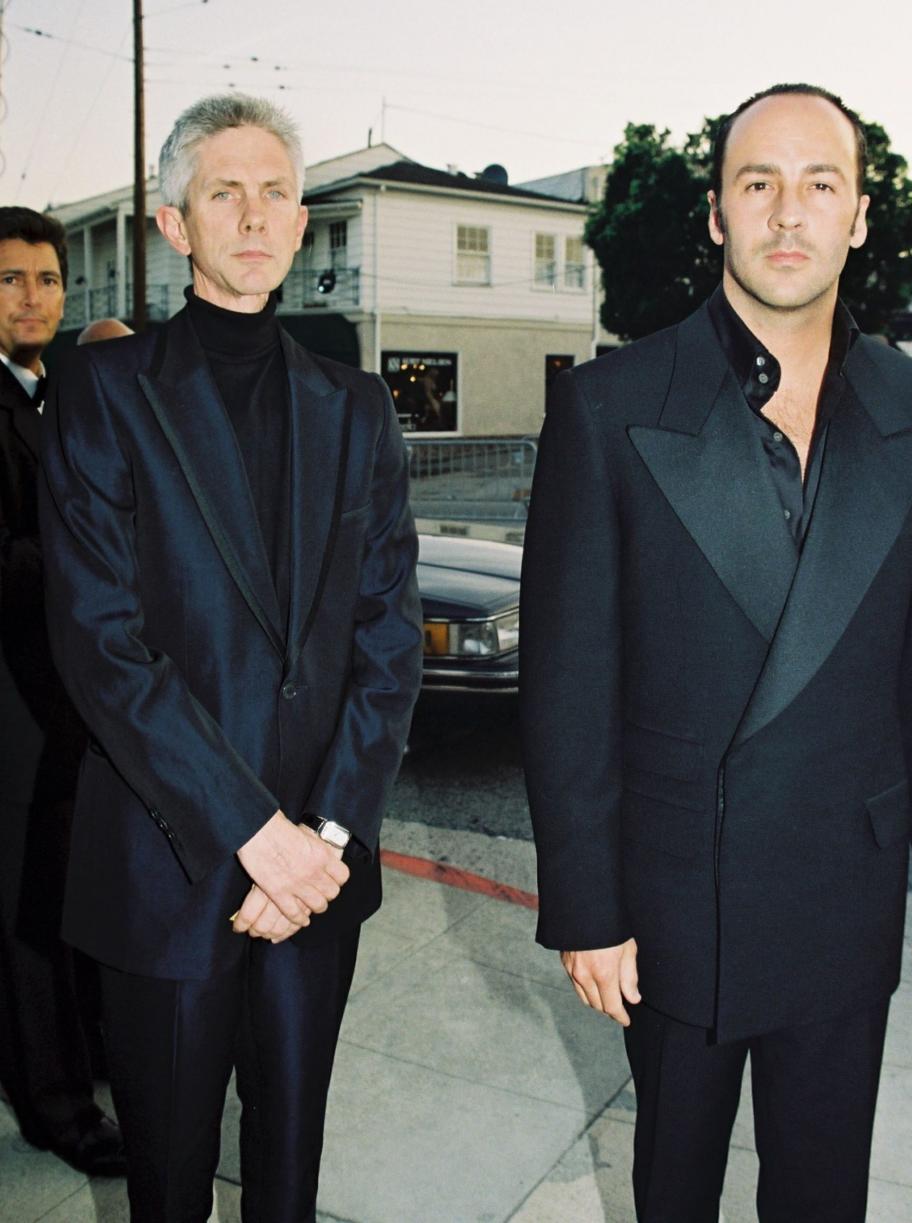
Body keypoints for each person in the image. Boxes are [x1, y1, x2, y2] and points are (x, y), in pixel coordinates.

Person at [520, 83, 912, 1223]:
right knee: (674, 1192)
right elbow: (567, 680)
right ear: (715, 214)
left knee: (824, 1196)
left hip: (844, 885)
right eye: (756, 183)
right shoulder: (610, 406)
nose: (786, 213)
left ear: (862, 217)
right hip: (673, 898)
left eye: (820, 184)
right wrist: (584, 900)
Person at [39, 94, 422, 1222]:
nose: (252, 214)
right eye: (223, 192)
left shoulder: (356, 408)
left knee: (288, 1180)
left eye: (274, 192)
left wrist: (328, 838)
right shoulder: (104, 393)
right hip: (173, 864)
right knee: (168, 1183)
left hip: (319, 870)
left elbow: (387, 641)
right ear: (173, 223)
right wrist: (260, 839)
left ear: (303, 223)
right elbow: (101, 643)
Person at [0, 206, 126, 1176]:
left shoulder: (65, 392)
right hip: (11, 710)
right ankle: (53, 1103)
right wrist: (95, 562)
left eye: (47, 279)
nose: (34, 296)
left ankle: (88, 1063)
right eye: (11, 279)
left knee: (72, 896)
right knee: (28, 916)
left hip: (78, 707)